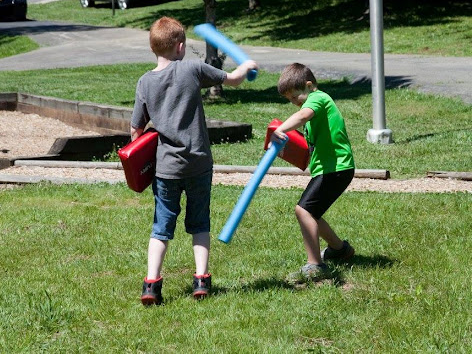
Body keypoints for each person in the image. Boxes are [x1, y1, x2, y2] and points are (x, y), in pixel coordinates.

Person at [131, 16, 258, 306]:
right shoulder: (192, 69)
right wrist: (246, 66)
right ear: (180, 47)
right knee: (200, 223)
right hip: (199, 164)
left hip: (166, 169)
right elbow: (233, 79)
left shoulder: (145, 82)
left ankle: (151, 284)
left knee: (161, 226)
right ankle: (201, 280)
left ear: (153, 48)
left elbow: (136, 130)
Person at [270, 63, 355, 283]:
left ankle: (315, 265)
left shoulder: (318, 98)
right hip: (331, 169)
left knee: (303, 210)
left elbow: (303, 115)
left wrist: (281, 129)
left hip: (336, 169)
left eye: (295, 97)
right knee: (312, 213)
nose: (294, 102)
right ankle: (339, 249)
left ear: (309, 85)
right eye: (289, 99)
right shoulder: (313, 101)